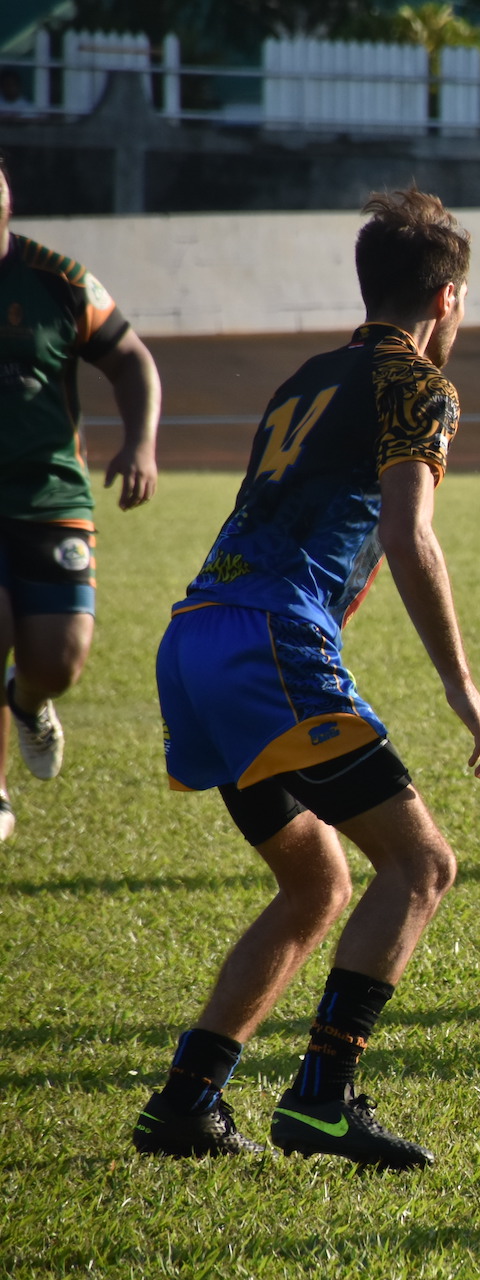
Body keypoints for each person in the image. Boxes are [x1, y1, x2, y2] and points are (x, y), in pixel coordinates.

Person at [133, 189, 480, 1168]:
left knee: (315, 881)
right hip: (267, 646)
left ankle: (185, 1100)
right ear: (448, 297)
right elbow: (407, 533)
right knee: (422, 865)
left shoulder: (307, 374)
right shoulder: (419, 385)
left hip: (195, 634)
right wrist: (462, 684)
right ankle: (324, 1096)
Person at [0, 162, 161, 839]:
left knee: (57, 663)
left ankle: (29, 700)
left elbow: (131, 359)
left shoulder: (58, 281)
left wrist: (141, 445)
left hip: (51, 494)